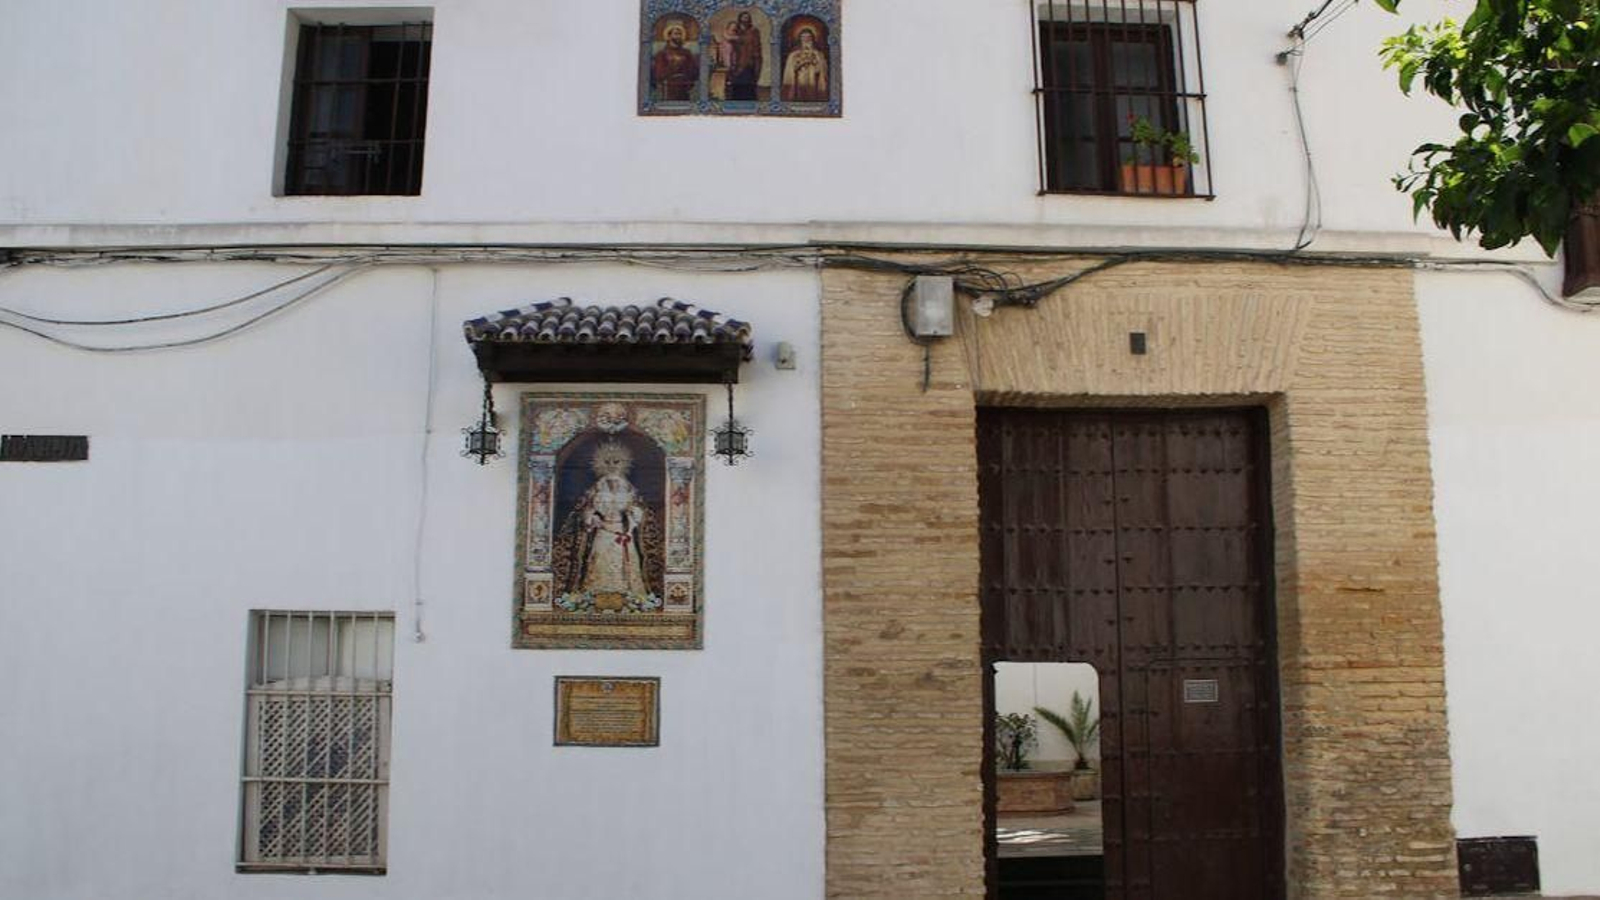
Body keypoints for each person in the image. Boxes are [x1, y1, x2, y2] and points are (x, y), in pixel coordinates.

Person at [552, 440, 663, 610]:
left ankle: (630, 600)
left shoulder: (627, 489)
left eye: (616, 462)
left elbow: (640, 512)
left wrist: (633, 521)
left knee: (625, 565)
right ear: (601, 464)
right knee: (599, 562)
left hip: (622, 533)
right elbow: (584, 511)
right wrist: (590, 518)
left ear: (623, 464)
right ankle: (593, 600)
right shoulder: (596, 488)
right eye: (607, 462)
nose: (611, 466)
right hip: (603, 533)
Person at [651, 23, 698, 102]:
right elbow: (659, 74)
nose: (678, 36)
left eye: (680, 34)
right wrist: (674, 64)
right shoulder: (662, 53)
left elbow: (694, 70)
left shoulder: (687, 53)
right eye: (676, 34)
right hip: (669, 87)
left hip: (684, 87)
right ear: (669, 36)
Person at [780, 27, 827, 102]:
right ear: (800, 38)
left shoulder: (818, 53)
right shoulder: (794, 53)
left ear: (812, 38)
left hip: (813, 78)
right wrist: (802, 63)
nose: (806, 39)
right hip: (799, 78)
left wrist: (815, 63)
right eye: (803, 37)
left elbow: (822, 68)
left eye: (808, 37)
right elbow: (791, 69)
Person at [725, 11, 763, 101]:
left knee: (749, 84)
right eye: (743, 17)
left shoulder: (754, 31)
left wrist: (756, 59)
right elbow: (727, 36)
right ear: (740, 19)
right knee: (736, 85)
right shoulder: (736, 30)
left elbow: (757, 46)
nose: (745, 19)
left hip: (749, 61)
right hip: (737, 61)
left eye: (747, 17)